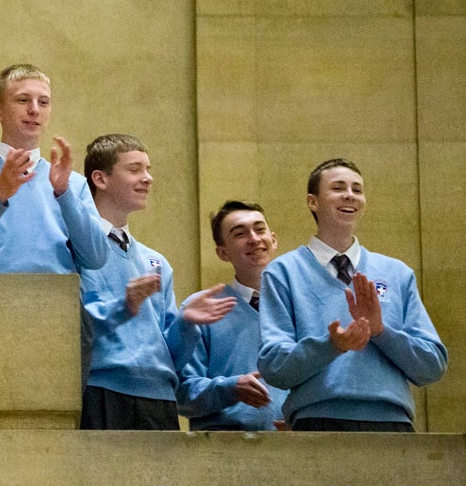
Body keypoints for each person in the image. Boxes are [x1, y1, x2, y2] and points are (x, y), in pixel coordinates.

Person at [58, 133, 235, 429]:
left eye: (148, 169)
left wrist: (186, 323)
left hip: (160, 397)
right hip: (102, 390)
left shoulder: (156, 262)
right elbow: (72, 326)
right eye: (135, 169)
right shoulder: (73, 250)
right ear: (100, 179)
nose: (148, 178)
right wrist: (124, 305)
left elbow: (172, 355)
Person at [258, 159, 447, 432]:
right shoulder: (283, 272)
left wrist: (382, 332)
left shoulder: (397, 273)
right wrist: (332, 345)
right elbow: (275, 366)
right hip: (317, 421)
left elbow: (432, 366)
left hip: (392, 423)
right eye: (338, 187)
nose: (349, 194)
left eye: (357, 189)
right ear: (313, 202)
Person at [0, 63, 100, 273]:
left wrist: (64, 194)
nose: (34, 110)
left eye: (43, 102)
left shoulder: (74, 183)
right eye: (23, 100)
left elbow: (97, 258)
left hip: (59, 303)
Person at [177, 200, 286, 431]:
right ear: (222, 252)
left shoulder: (297, 305)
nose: (254, 238)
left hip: (295, 448)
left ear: (273, 240)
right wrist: (230, 388)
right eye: (240, 233)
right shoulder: (202, 309)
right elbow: (182, 393)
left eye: (259, 229)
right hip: (221, 450)